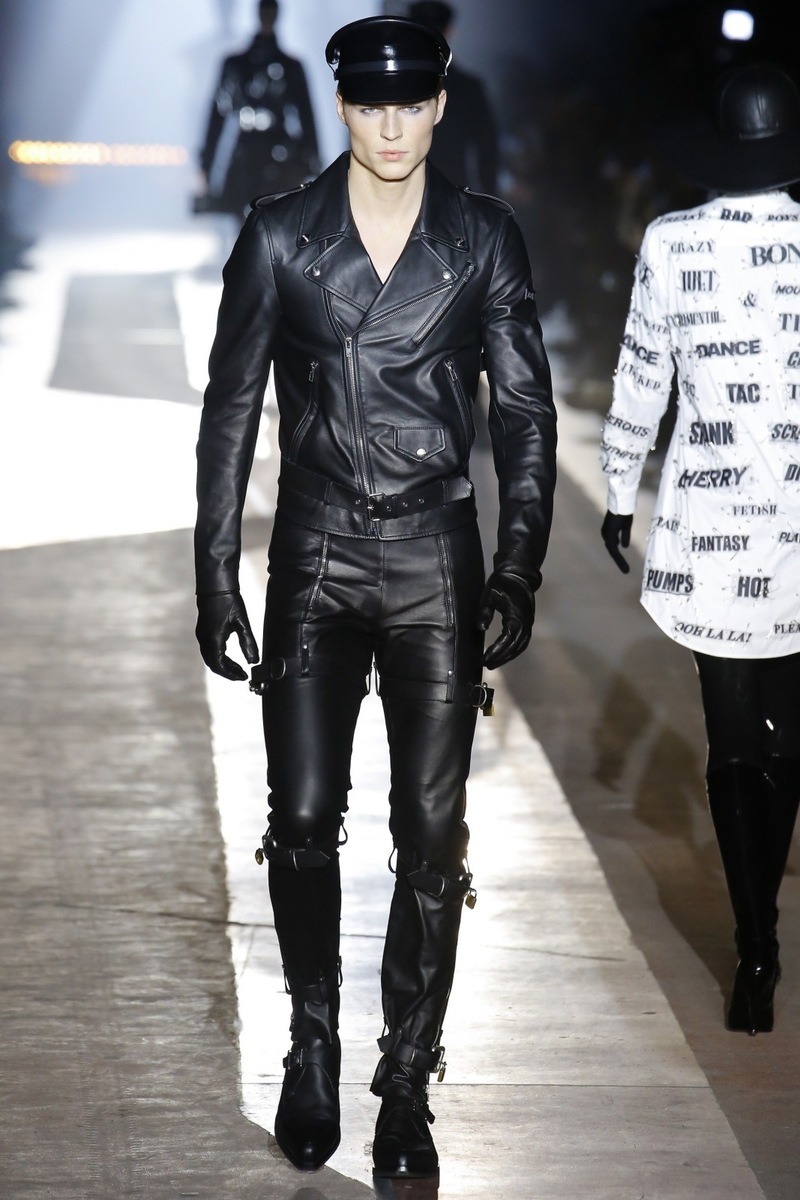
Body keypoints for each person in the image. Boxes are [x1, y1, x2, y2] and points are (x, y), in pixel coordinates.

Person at [194, 14, 556, 1181]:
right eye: (369, 104)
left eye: (410, 104)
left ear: (439, 103)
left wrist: (517, 561)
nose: (390, 127)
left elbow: (523, 415)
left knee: (430, 830)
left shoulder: (483, 237)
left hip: (435, 561)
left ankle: (405, 1078)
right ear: (342, 105)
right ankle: (312, 1040)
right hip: (314, 556)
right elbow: (231, 408)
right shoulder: (279, 235)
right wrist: (213, 570)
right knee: (301, 818)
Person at [600, 63, 800, 1037]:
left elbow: (643, 372)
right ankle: (759, 937)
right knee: (785, 741)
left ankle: (754, 943)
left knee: (732, 743)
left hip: (710, 529)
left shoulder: (669, 241)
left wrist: (617, 489)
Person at [196, 0, 318, 220]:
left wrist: (312, 161)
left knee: (271, 220)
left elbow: (307, 117)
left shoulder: (288, 67)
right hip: (252, 157)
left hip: (276, 155)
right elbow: (217, 116)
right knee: (253, 220)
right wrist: (206, 164)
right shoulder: (238, 65)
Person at [407, 1, 499, 193]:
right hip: (452, 190)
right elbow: (487, 149)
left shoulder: (395, 85)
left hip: (402, 193)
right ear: (449, 30)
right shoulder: (469, 88)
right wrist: (488, 199)